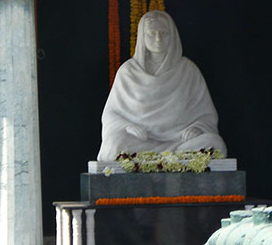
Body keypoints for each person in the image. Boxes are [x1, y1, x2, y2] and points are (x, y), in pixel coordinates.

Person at [97, 10, 227, 161]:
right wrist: (127, 126)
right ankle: (168, 159)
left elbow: (206, 114)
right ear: (142, 37)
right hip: (141, 143)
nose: (158, 39)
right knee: (113, 147)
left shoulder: (188, 70)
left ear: (172, 36)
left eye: (164, 33)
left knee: (215, 143)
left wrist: (198, 128)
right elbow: (111, 114)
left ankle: (166, 158)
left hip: (180, 142)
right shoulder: (128, 72)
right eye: (152, 34)